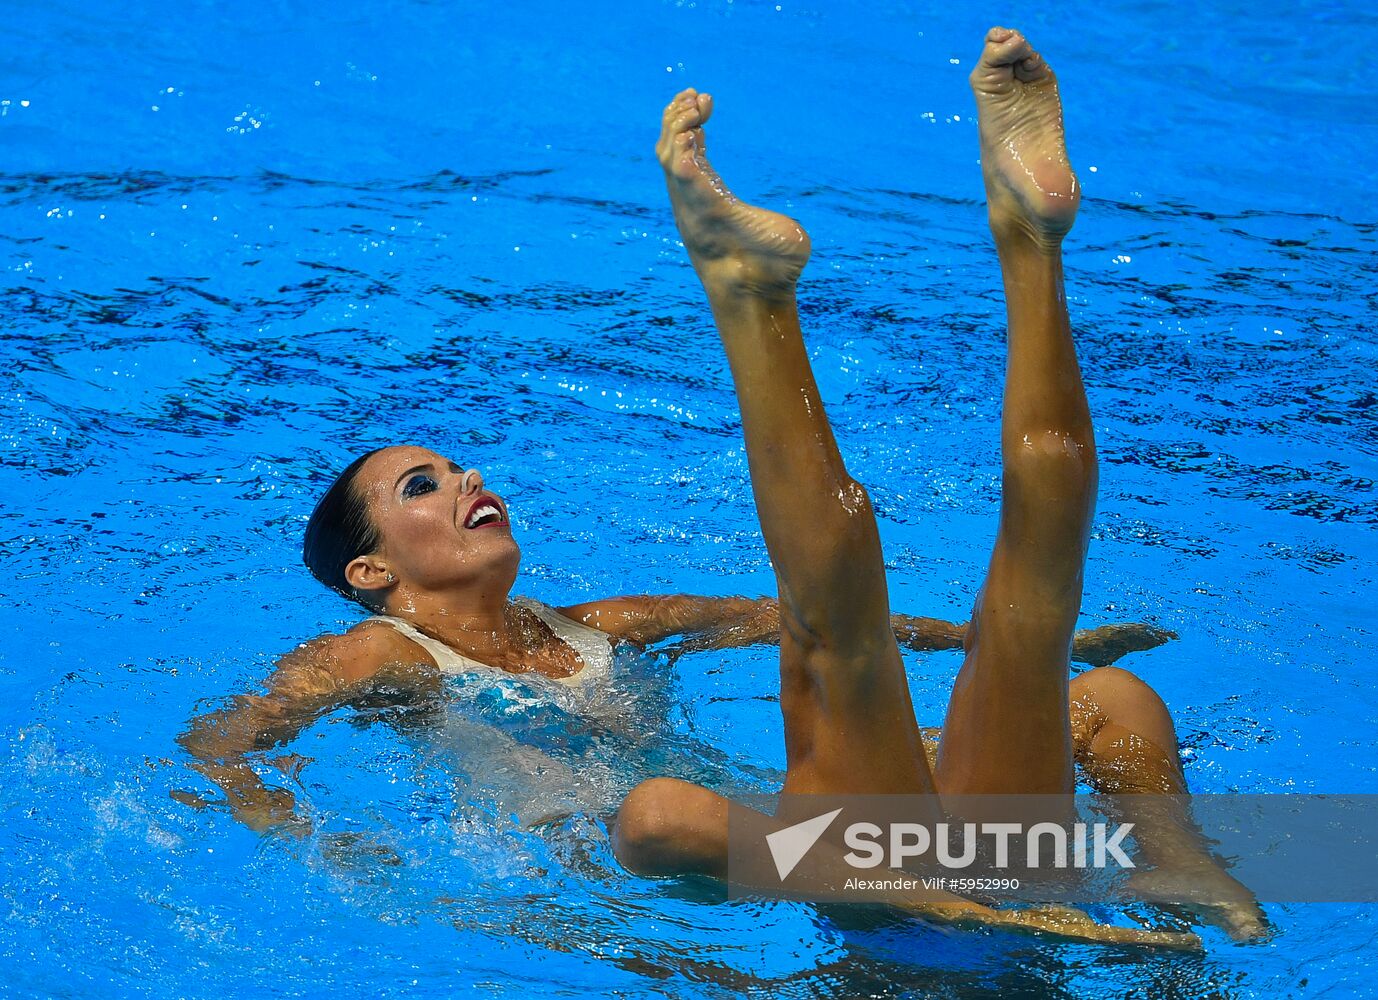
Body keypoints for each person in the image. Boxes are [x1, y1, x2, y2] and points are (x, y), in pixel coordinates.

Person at [179, 27, 1260, 947]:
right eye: (422, 483)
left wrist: (1004, 652)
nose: (467, 479)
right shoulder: (378, 650)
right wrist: (299, 830)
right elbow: (220, 742)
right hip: (740, 857)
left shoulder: (597, 625)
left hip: (831, 854)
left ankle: (1166, 864)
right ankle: (1026, 250)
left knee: (1090, 690)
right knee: (655, 815)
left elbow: (799, 612)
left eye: (458, 466)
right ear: (370, 567)